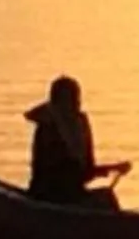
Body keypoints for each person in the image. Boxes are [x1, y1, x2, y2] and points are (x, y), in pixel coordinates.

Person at [25, 75, 131, 209]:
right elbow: (53, 173)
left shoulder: (79, 125)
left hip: (73, 194)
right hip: (49, 196)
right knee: (103, 200)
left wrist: (114, 168)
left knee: (107, 197)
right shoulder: (48, 127)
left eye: (76, 97)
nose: (77, 102)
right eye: (71, 98)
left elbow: (86, 171)